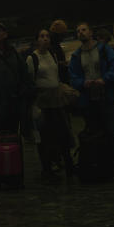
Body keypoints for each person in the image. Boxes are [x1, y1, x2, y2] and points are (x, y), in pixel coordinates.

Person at [68, 22, 114, 180]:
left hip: (105, 96)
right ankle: (100, 164)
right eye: (78, 31)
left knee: (112, 131)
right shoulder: (76, 55)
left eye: (84, 30)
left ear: (90, 32)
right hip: (89, 99)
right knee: (94, 132)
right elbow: (73, 77)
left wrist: (104, 79)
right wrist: (82, 83)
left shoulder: (103, 49)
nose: (81, 33)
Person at [27, 28, 73, 180]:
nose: (45, 39)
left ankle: (67, 165)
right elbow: (29, 81)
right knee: (45, 137)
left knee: (63, 134)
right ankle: (47, 168)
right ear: (36, 40)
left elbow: (56, 76)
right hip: (42, 102)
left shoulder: (52, 55)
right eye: (41, 36)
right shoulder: (32, 58)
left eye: (47, 36)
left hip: (56, 99)